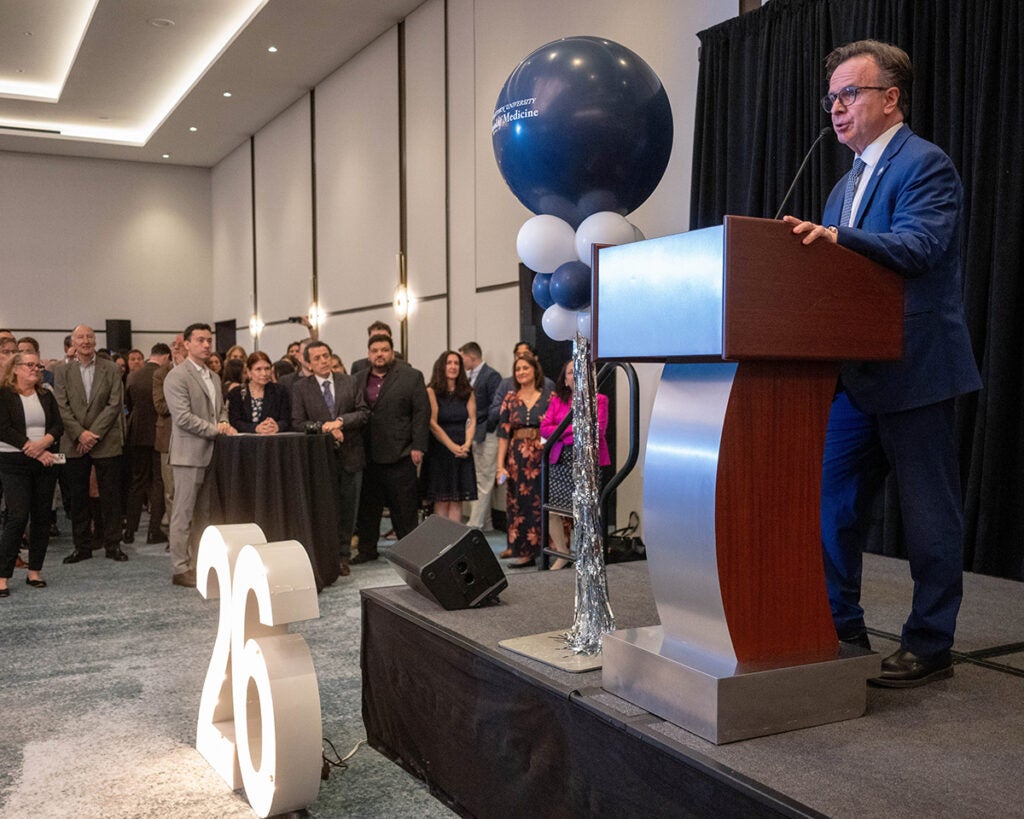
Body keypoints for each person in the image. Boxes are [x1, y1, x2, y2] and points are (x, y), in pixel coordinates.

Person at [784, 40, 981, 688]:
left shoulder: (926, 165)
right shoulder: (843, 184)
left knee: (929, 516)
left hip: (916, 367)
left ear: (890, 98)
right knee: (831, 504)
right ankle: (841, 625)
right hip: (856, 377)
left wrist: (839, 238)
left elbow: (920, 245)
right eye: (831, 97)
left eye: (850, 94)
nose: (836, 109)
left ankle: (930, 644)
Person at [163, 323, 238, 587]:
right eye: (200, 340)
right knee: (183, 514)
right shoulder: (177, 376)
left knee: (205, 515)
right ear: (186, 343)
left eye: (209, 340)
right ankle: (180, 567)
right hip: (188, 454)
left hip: (212, 453)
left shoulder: (214, 377)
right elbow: (182, 418)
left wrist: (225, 423)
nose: (206, 345)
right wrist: (216, 429)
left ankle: (199, 563)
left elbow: (221, 411)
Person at [292, 341, 369, 575]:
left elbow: (363, 413)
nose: (323, 361)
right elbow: (297, 422)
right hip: (319, 460)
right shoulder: (301, 388)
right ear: (308, 363)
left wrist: (341, 422)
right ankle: (323, 555)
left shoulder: (349, 381)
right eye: (317, 358)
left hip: (351, 456)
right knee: (324, 510)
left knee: (348, 510)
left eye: (326, 355)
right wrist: (324, 427)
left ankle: (343, 556)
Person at [53, 324, 129, 563]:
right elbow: (61, 407)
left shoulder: (110, 369)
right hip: (74, 443)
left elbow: (115, 403)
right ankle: (82, 546)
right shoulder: (61, 372)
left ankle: (112, 544)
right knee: (77, 497)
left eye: (89, 336)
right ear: (72, 343)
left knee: (110, 496)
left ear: (95, 341)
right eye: (80, 337)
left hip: (105, 440)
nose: (85, 341)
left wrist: (92, 433)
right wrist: (80, 434)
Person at [352, 334, 429, 563]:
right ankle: (367, 550)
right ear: (368, 354)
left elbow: (421, 413)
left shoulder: (411, 376)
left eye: (384, 350)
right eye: (375, 350)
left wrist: (418, 446)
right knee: (368, 509)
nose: (379, 354)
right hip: (367, 455)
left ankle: (409, 552)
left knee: (404, 509)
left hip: (401, 453)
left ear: (392, 352)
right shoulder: (357, 379)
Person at [0, 351, 63, 596]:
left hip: (46, 460)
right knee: (17, 516)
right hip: (13, 461)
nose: (35, 369)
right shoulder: (4, 394)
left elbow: (58, 425)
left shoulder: (46, 395)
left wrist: (45, 442)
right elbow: (3, 428)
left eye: (37, 365)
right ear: (15, 369)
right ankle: (3, 575)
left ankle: (34, 571)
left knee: (41, 517)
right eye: (29, 365)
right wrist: (34, 449)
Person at [540, 360, 610, 570]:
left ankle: (585, 558)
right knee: (553, 511)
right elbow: (544, 429)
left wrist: (561, 432)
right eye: (571, 372)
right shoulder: (558, 401)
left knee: (584, 512)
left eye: (579, 371)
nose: (575, 375)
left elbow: (595, 432)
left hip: (586, 461)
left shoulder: (600, 400)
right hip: (560, 460)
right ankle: (562, 554)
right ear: (565, 379)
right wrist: (574, 428)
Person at [496, 352, 552, 568]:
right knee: (519, 503)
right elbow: (503, 434)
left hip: (542, 455)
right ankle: (524, 551)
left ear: (534, 370)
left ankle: (547, 548)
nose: (521, 372)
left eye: (525, 368)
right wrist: (500, 465)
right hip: (516, 457)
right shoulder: (510, 399)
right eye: (518, 369)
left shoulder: (549, 397)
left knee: (541, 501)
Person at [124, 343, 171, 545]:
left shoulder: (133, 375)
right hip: (159, 433)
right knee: (159, 483)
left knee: (138, 482)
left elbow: (129, 403)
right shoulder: (165, 375)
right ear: (166, 357)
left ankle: (130, 531)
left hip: (137, 433)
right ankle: (154, 531)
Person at [422, 351, 477, 522]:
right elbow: (432, 423)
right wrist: (452, 446)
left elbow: (471, 420)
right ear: (442, 366)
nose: (453, 367)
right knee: (441, 499)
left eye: (456, 363)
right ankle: (441, 545)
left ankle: (455, 545)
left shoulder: (467, 392)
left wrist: (467, 444)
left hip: (462, 450)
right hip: (440, 451)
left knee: (457, 499)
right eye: (449, 363)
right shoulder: (432, 391)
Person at [460, 342, 502, 531]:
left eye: (462, 358)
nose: (461, 362)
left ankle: (475, 523)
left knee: (485, 478)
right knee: (478, 476)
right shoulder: (469, 376)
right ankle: (486, 522)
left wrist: (483, 424)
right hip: (474, 433)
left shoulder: (491, 376)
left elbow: (496, 406)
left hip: (488, 432)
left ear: (471, 356)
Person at [228, 351, 291, 434]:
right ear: (249, 372)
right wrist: (256, 428)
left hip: (273, 440)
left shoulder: (280, 391)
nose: (264, 373)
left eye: (267, 369)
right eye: (258, 369)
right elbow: (235, 421)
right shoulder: (237, 393)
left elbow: (287, 419)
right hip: (245, 441)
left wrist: (277, 426)